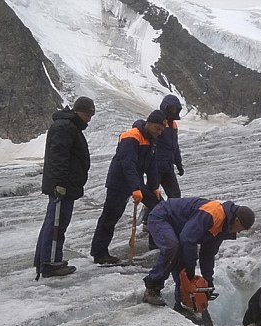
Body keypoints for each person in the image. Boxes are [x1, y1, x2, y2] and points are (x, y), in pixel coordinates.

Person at [142, 197, 255, 308]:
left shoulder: (222, 228)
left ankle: (183, 305)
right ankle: (152, 287)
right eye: (241, 228)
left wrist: (208, 281)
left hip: (180, 228)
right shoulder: (213, 214)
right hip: (162, 216)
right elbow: (187, 239)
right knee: (172, 248)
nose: (239, 232)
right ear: (236, 220)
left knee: (183, 268)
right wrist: (190, 271)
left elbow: (207, 255)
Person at [90, 110, 166, 264]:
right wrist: (135, 188)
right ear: (149, 123)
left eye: (161, 130)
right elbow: (127, 164)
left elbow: (152, 165)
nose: (160, 132)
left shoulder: (152, 139)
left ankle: (155, 242)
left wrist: (154, 187)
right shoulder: (131, 137)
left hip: (135, 180)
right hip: (119, 181)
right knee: (110, 216)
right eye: (158, 128)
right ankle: (99, 253)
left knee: (158, 205)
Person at [34, 97, 95, 279]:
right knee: (56, 225)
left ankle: (46, 260)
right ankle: (51, 263)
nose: (88, 119)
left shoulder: (68, 126)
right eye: (86, 114)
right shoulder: (65, 127)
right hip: (62, 187)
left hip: (66, 185)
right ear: (77, 111)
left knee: (54, 223)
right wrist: (60, 183)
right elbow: (59, 156)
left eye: (91, 115)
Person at [156, 94, 184, 198]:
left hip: (168, 167)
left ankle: (171, 213)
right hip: (156, 167)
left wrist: (178, 163)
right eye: (171, 109)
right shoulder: (157, 123)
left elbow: (175, 147)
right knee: (152, 195)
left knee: (175, 195)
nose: (173, 112)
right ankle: (150, 214)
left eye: (175, 109)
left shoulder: (174, 125)